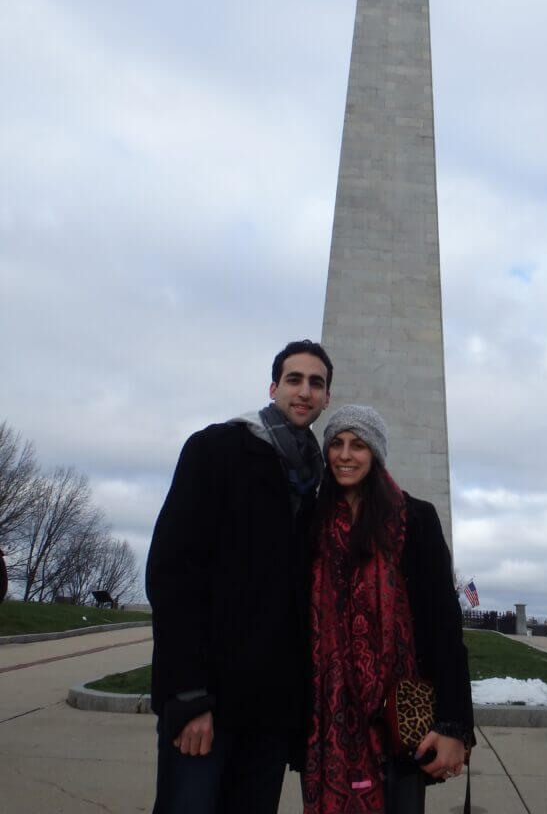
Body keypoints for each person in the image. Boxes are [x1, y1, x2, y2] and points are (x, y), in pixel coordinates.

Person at [146, 339, 332, 814]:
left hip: (270, 715)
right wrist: (189, 695)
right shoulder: (216, 449)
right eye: (294, 379)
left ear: (327, 398)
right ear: (273, 388)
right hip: (207, 703)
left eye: (316, 383)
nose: (304, 391)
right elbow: (173, 574)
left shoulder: (314, 483)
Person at [303, 405, 473, 814]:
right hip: (327, 719)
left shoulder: (416, 519)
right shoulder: (310, 521)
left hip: (398, 720)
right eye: (336, 444)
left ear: (376, 453)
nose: (345, 455)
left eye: (358, 445)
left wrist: (454, 725)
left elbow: (444, 628)